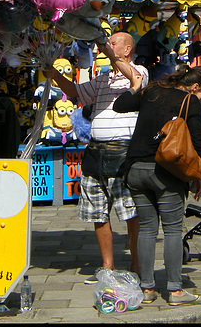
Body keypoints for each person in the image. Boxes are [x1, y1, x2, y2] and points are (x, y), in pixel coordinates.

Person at [43, 32, 149, 280]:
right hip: (95, 150)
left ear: (127, 50)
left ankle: (136, 264)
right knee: (98, 212)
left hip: (123, 150)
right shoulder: (103, 79)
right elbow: (75, 91)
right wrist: (54, 74)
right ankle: (107, 266)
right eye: (107, 43)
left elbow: (134, 79)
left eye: (113, 44)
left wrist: (105, 47)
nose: (107, 47)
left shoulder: (138, 71)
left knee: (130, 212)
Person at [112, 64, 201, 305]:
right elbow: (197, 140)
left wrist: (135, 87)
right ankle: (175, 290)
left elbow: (119, 106)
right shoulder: (190, 102)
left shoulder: (151, 91)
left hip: (135, 169)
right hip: (166, 171)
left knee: (146, 228)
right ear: (195, 86)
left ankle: (147, 288)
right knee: (172, 229)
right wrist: (198, 174)